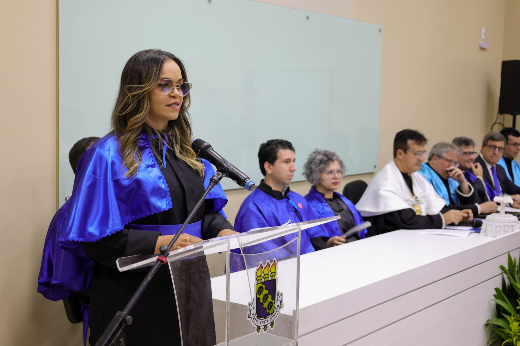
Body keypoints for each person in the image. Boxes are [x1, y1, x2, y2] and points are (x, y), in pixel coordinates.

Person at [51, 49, 236, 346]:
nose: (177, 94)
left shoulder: (188, 152)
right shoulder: (106, 156)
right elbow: (94, 239)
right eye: (165, 85)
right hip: (133, 290)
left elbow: (205, 213)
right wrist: (159, 243)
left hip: (189, 282)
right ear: (137, 90)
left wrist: (224, 231)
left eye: (181, 86)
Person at [356, 129, 471, 236]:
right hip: (389, 242)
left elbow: (435, 205)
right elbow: (404, 221)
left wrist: (457, 214)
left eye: (423, 153)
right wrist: (443, 219)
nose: (421, 159)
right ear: (400, 153)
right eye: (417, 154)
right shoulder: (386, 181)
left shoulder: (416, 176)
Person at [234, 139, 329, 254]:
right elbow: (262, 254)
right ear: (268, 167)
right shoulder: (254, 208)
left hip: (309, 264)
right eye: (286, 162)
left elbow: (315, 237)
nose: (294, 168)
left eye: (293, 161)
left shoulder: (298, 199)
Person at [303, 149, 367, 247]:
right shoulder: (308, 206)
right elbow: (308, 243)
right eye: (329, 172)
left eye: (339, 171)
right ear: (315, 174)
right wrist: (327, 244)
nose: (336, 176)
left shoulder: (345, 201)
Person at [418, 142, 497, 215]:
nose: (452, 166)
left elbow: (469, 203)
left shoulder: (452, 176)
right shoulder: (422, 175)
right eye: (449, 161)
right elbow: (439, 208)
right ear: (435, 159)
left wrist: (462, 182)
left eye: (455, 163)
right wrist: (478, 209)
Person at [474, 132, 520, 205]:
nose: (496, 152)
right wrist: (509, 200)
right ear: (482, 147)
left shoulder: (499, 169)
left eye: (500, 149)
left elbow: (513, 188)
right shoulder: (475, 167)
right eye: (492, 147)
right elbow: (485, 197)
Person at [452, 136, 493, 205]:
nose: (472, 158)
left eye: (472, 153)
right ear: (455, 154)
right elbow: (475, 201)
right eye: (467, 154)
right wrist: (479, 178)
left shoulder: (470, 172)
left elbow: (487, 198)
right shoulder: (452, 175)